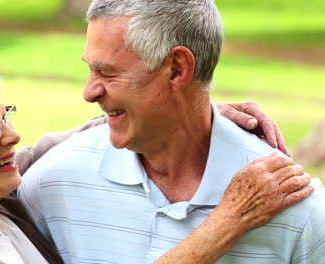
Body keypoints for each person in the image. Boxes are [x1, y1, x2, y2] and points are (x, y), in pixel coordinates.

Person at [0, 47, 313, 264]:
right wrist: (227, 221)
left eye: (5, 115)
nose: (12, 136)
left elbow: (68, 140)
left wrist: (191, 112)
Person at [18, 1, 325, 263]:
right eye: (91, 69)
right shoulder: (50, 185)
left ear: (177, 69)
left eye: (107, 72)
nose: (88, 92)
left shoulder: (297, 208)